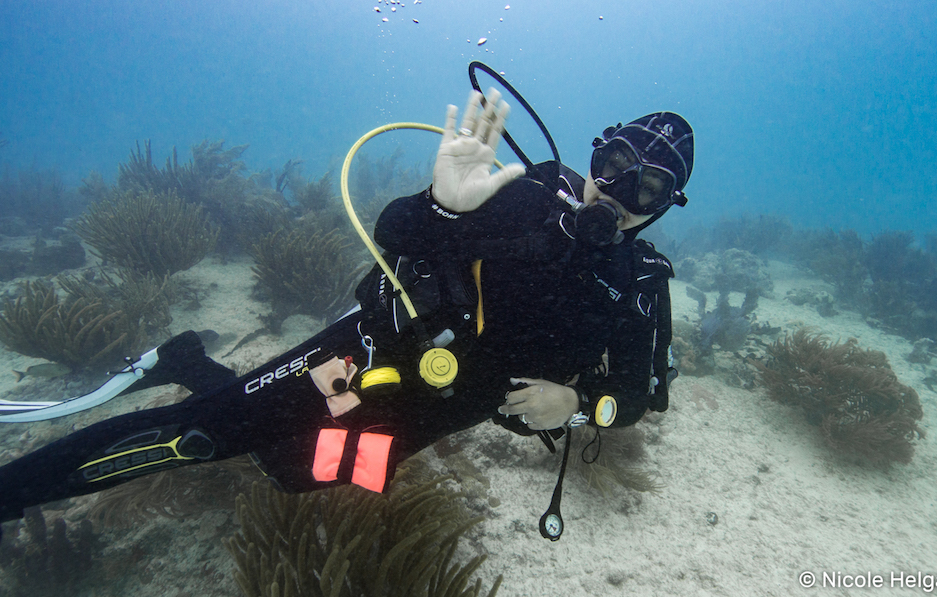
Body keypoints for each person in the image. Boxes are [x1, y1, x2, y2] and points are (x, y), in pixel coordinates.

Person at [0, 89, 694, 540]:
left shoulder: (639, 284)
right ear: (598, 151)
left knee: (290, 468)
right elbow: (395, 235)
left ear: (666, 204)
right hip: (367, 351)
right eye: (618, 159)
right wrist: (441, 202)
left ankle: (186, 361)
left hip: (436, 412)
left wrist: (577, 401)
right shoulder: (525, 192)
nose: (623, 186)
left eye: (651, 184)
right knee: (202, 437)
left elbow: (637, 399)